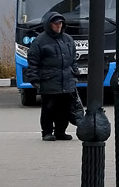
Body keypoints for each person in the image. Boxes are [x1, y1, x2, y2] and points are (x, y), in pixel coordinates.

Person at [24, 11, 80, 141]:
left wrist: (75, 72)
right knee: (49, 108)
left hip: (66, 81)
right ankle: (47, 132)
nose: (58, 26)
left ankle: (61, 132)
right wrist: (34, 79)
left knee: (65, 109)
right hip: (49, 81)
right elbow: (33, 62)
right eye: (56, 23)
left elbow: (73, 59)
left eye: (60, 23)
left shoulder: (68, 39)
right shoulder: (40, 41)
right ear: (49, 24)